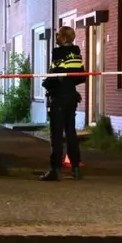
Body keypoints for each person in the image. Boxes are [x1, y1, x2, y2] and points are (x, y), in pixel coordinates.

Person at [40, 25, 86, 181]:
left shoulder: (58, 52)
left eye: (58, 35)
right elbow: (81, 76)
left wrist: (46, 84)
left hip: (59, 97)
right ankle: (75, 168)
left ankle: (55, 169)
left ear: (65, 38)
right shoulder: (77, 53)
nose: (56, 37)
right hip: (71, 96)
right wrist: (69, 85)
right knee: (71, 133)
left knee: (57, 134)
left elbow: (57, 75)